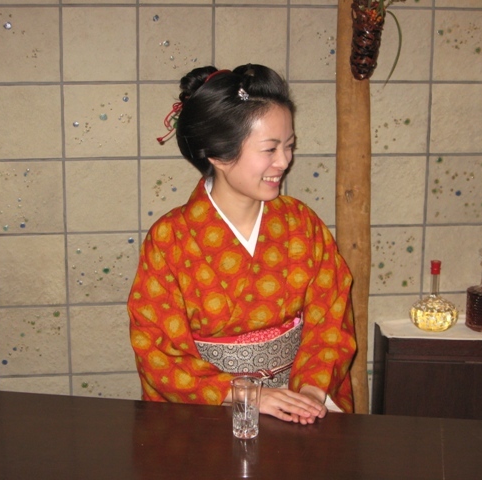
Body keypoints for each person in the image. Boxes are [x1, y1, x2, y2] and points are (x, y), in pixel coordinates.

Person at [128, 64, 357, 425]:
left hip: (297, 403)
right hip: (210, 411)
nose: (284, 161)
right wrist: (249, 394)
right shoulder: (169, 239)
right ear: (218, 155)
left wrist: (312, 393)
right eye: (270, 149)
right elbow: (156, 348)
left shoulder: (302, 223)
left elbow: (331, 317)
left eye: (289, 146)